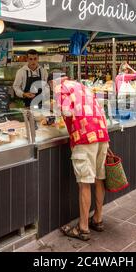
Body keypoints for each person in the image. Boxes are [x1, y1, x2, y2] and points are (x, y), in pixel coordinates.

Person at [49, 74, 109, 241]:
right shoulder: (83, 87)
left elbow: (67, 111)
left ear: (52, 82)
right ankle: (97, 219)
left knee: (84, 183)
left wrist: (56, 107)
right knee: (99, 178)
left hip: (84, 137)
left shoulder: (59, 88)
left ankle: (83, 228)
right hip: (101, 133)